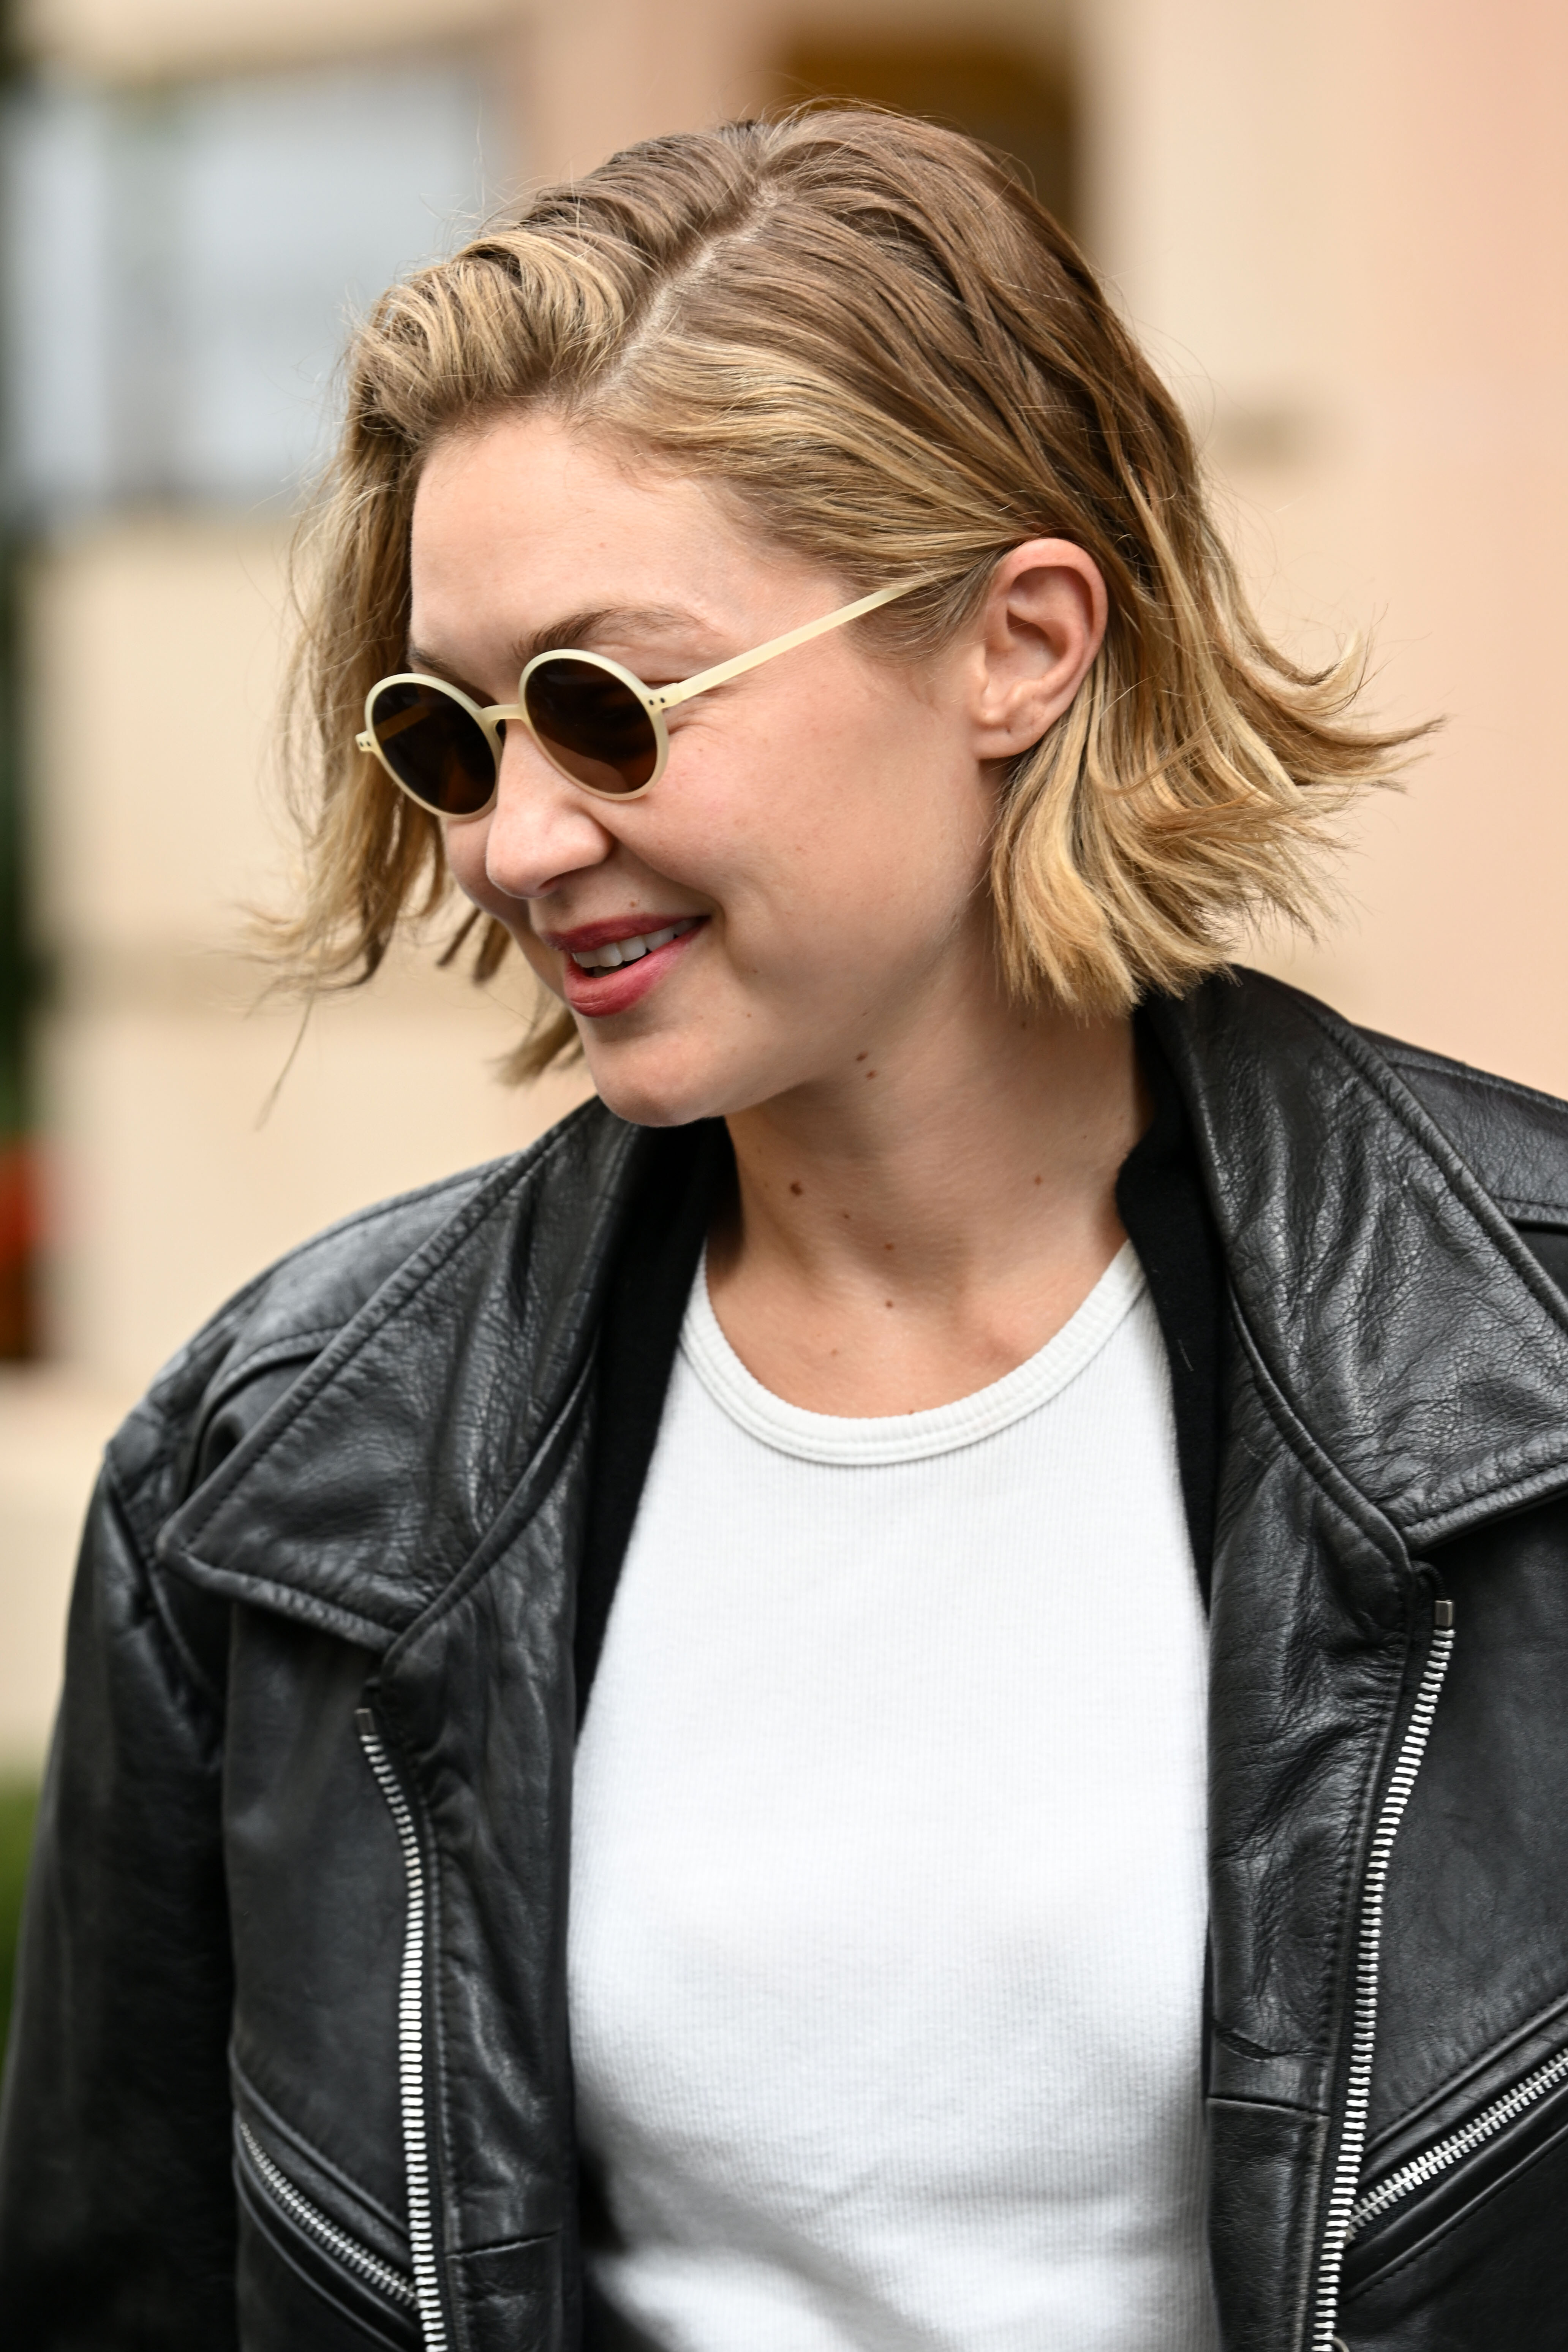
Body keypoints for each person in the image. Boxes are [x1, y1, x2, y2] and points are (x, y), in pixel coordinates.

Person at [2, 105, 1566, 2352]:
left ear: (1019, 644)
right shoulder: (274, 1471)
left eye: (606, 706)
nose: (516, 840)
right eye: (453, 733)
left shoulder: (1523, 1379)